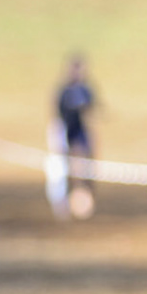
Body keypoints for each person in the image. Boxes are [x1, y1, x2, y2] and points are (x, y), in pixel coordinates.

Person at [53, 54, 100, 220]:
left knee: (86, 169)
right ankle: (68, 203)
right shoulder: (65, 91)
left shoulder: (85, 90)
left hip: (82, 134)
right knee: (70, 169)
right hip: (69, 134)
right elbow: (59, 115)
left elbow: (93, 110)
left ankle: (85, 203)